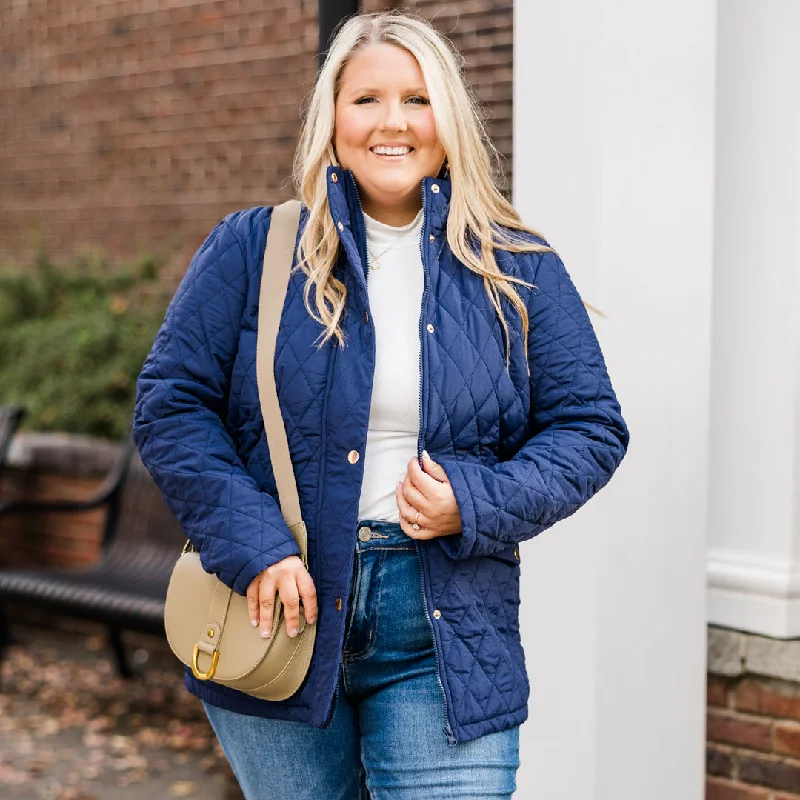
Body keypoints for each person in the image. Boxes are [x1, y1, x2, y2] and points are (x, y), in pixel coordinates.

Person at [133, 10, 629, 800]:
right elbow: (171, 405)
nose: (391, 122)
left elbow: (591, 427)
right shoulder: (254, 248)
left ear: (449, 119)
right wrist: (253, 542)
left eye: (416, 99)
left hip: (446, 621)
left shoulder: (518, 266)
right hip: (278, 608)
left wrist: (476, 499)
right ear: (332, 117)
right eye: (366, 99)